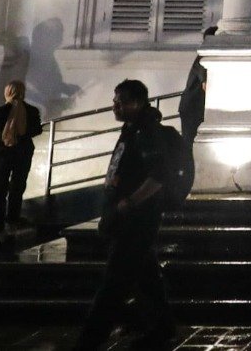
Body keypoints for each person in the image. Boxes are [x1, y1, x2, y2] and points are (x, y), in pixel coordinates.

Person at [74, 79, 175, 351]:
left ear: (138, 103)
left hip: (137, 218)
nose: (115, 106)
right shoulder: (131, 130)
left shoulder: (145, 132)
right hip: (126, 214)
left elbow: (159, 175)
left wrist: (129, 203)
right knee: (147, 276)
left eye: (121, 102)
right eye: (115, 100)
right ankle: (162, 327)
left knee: (114, 283)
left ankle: (89, 340)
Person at [0, 79, 43, 238]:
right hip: (24, 153)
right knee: (17, 189)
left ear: (7, 93)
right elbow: (37, 130)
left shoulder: (0, 112)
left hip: (2, 155)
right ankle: (12, 221)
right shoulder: (32, 111)